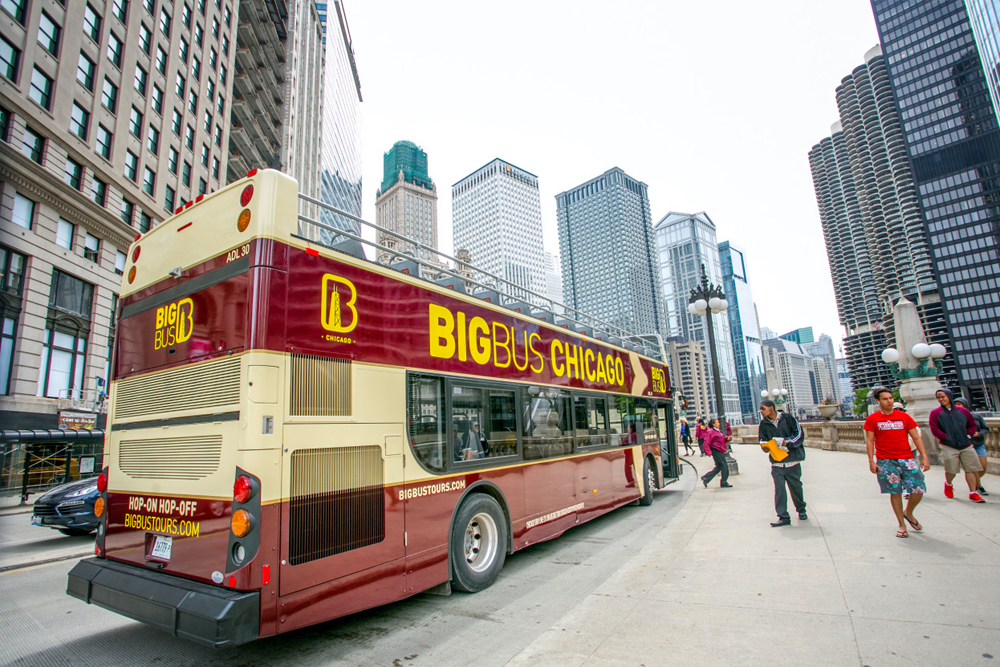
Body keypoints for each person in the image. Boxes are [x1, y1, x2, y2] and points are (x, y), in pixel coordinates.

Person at [864, 387, 931, 538]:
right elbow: (869, 441)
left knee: (918, 487)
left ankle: (909, 512)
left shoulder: (904, 417)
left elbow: (916, 437)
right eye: (885, 399)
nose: (889, 401)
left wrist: (924, 457)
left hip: (907, 458)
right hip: (886, 460)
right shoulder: (873, 419)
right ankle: (901, 523)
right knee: (895, 492)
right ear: (878, 401)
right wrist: (871, 461)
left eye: (890, 398)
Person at [929, 389, 984, 503]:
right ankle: (948, 483)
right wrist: (945, 437)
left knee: (971, 469)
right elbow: (934, 429)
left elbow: (971, 425)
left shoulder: (962, 411)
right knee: (952, 469)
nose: (941, 399)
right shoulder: (935, 413)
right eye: (938, 398)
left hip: (965, 444)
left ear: (949, 396)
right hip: (948, 445)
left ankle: (973, 492)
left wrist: (968, 436)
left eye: (943, 397)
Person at [758, 400, 806, 527]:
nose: (761, 412)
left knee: (795, 488)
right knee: (779, 490)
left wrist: (787, 442)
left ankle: (801, 510)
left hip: (792, 461)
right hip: (777, 463)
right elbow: (762, 440)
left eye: (763, 408)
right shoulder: (763, 424)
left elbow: (799, 435)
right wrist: (765, 447)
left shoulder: (788, 418)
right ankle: (783, 516)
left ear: (771, 408)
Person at [954, 397, 988, 497]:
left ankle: (976, 481)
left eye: (959, 404)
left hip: (978, 444)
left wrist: (979, 434)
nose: (957, 406)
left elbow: (985, 429)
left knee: (983, 467)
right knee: (973, 467)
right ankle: (978, 486)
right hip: (966, 445)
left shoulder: (976, 416)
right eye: (955, 404)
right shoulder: (954, 418)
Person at [700, 417, 733, 488]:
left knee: (719, 467)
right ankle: (723, 482)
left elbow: (721, 440)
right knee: (724, 466)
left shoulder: (718, 431)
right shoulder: (710, 431)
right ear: (713, 424)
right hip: (716, 450)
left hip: (719, 450)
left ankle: (706, 478)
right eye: (717, 422)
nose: (719, 423)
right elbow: (706, 442)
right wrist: (708, 452)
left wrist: (726, 439)